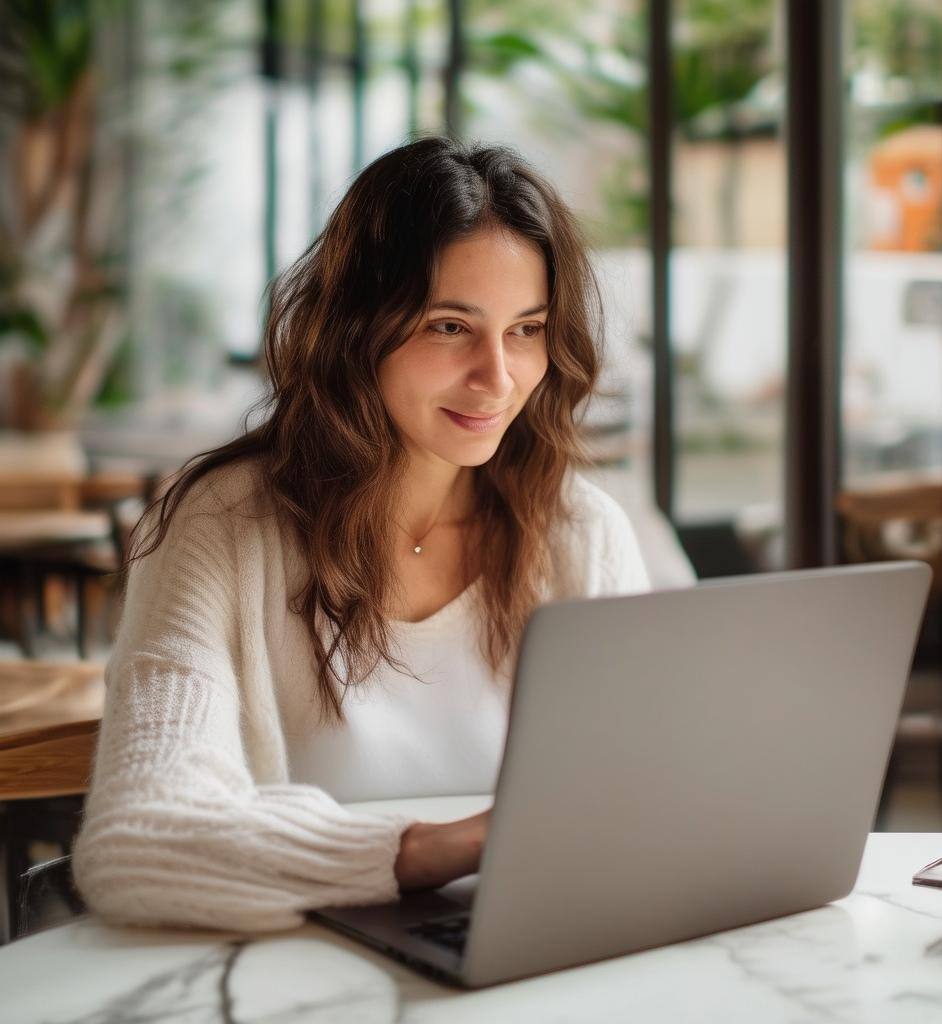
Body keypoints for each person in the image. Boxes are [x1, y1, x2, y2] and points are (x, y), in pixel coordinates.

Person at [71, 136, 668, 934]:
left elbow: (644, 801)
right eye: (450, 326)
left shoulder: (579, 530)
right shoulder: (222, 526)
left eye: (526, 329)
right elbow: (137, 842)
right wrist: (433, 849)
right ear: (358, 330)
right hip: (297, 977)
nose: (499, 376)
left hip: (526, 959)